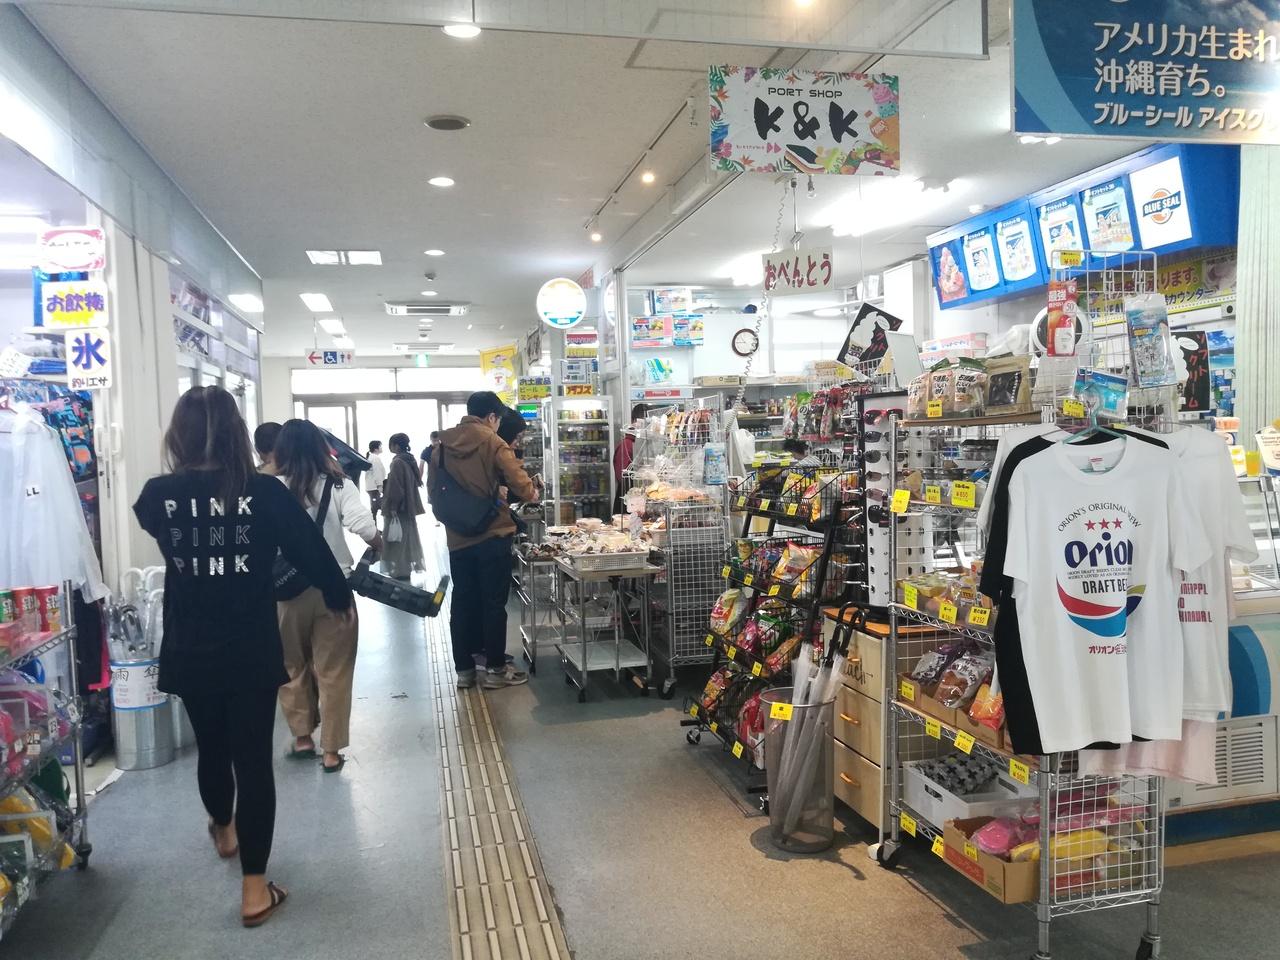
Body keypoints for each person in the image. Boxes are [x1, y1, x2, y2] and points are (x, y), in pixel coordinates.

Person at [132, 386, 353, 928]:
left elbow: (162, 528)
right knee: (253, 760)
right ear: (236, 432)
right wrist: (338, 596)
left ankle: (224, 828)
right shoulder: (264, 492)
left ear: (179, 435)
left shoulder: (157, 495)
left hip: (190, 643)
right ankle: (255, 890)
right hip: (250, 643)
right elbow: (310, 550)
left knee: (211, 747)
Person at [274, 419, 382, 773]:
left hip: (285, 589)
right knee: (334, 670)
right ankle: (332, 751)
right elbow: (362, 525)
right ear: (322, 448)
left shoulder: (271, 487)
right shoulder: (338, 483)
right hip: (334, 586)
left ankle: (303, 737)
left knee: (291, 665)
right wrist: (377, 542)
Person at [427, 391, 538, 690]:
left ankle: (464, 671)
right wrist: (530, 491)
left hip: (458, 538)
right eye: (498, 419)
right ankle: (496, 671)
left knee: (463, 601)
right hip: (492, 534)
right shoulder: (493, 442)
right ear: (491, 417)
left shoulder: (441, 448)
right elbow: (521, 485)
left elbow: (433, 494)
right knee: (493, 603)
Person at [382, 433, 426, 579]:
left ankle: (399, 570)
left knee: (396, 540)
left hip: (399, 508)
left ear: (396, 446)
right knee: (407, 537)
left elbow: (396, 488)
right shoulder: (410, 460)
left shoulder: (397, 462)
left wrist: (393, 507)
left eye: (391, 444)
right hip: (409, 506)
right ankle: (405, 568)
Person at [612, 404, 646, 513]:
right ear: (635, 421)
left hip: (640, 499)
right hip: (627, 501)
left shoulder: (644, 443)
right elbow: (622, 478)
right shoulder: (626, 445)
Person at [363, 439, 387, 520]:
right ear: (376, 449)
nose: (381, 448)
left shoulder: (371, 457)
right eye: (380, 446)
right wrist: (380, 485)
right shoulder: (375, 458)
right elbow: (377, 473)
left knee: (374, 509)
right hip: (375, 487)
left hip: (371, 487)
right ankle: (373, 526)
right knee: (376, 508)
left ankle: (374, 526)